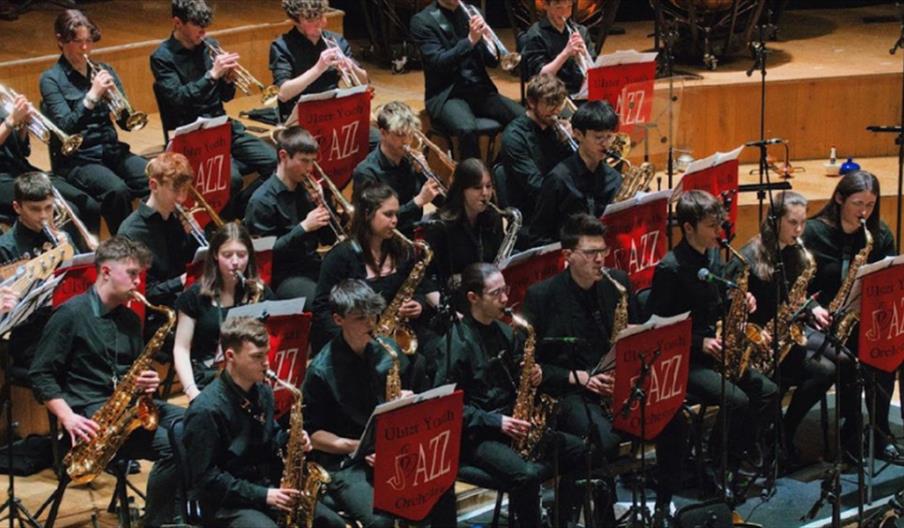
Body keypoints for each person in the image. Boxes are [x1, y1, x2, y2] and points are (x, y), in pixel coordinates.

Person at [522, 213, 687, 523]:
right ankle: (594, 512)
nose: (599, 260)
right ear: (567, 256)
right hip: (569, 392)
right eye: (590, 253)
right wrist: (580, 378)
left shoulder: (618, 285)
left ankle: (664, 503)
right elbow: (532, 367)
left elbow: (637, 336)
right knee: (604, 441)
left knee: (673, 416)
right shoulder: (541, 297)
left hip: (617, 386)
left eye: (603, 251)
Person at [29, 236, 183, 528]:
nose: (138, 282)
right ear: (106, 271)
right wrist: (67, 417)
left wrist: (145, 381)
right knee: (170, 445)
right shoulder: (70, 314)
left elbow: (130, 371)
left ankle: (181, 514)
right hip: (91, 414)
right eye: (132, 274)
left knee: (194, 424)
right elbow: (40, 374)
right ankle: (156, 522)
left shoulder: (128, 320)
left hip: (128, 406)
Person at [433, 262, 589, 526]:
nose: (505, 299)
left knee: (579, 450)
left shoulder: (507, 332)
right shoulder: (455, 345)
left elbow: (521, 381)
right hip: (476, 436)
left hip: (513, 424)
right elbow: (446, 409)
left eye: (505, 290)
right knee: (526, 476)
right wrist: (498, 422)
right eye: (496, 294)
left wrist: (534, 375)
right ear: (473, 298)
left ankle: (563, 520)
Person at [647, 190, 778, 485]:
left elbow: (718, 302)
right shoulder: (671, 268)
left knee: (768, 391)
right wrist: (700, 342)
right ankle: (716, 457)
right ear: (689, 227)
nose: (717, 231)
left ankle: (730, 454)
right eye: (710, 226)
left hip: (714, 349)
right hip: (683, 359)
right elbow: (655, 326)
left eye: (718, 224)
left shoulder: (712, 255)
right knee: (738, 401)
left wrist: (740, 303)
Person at [304, 279, 456, 528]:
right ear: (338, 319)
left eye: (372, 315)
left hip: (393, 449)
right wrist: (360, 448)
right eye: (360, 318)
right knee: (379, 522)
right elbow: (314, 434)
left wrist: (407, 400)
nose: (370, 324)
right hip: (347, 462)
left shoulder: (388, 350)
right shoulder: (321, 371)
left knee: (441, 486)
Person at [182, 316, 345, 528]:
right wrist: (263, 495)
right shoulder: (205, 411)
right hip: (225, 503)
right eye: (257, 357)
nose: (266, 363)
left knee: (333, 523)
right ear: (231, 356)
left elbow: (271, 435)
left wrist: (290, 439)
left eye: (266, 354)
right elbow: (206, 480)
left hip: (265, 486)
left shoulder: (263, 391)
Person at [727, 191, 850, 466]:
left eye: (803, 223)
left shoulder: (796, 253)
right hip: (757, 342)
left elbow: (796, 294)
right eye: (793, 223)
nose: (799, 230)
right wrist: (750, 327)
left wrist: (811, 307)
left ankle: (783, 431)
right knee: (822, 369)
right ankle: (760, 438)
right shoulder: (749, 255)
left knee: (835, 365)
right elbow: (727, 303)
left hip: (784, 335)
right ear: (774, 221)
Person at [802, 170, 903, 462]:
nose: (864, 211)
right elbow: (793, 284)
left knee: (885, 351)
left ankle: (881, 432)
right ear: (839, 198)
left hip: (862, 316)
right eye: (858, 203)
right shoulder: (813, 233)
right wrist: (813, 309)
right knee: (846, 361)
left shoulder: (879, 234)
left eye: (870, 205)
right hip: (818, 319)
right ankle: (849, 432)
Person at [150, 0, 276, 219]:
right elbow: (178, 99)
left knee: (276, 163)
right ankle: (223, 225)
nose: (204, 31)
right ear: (177, 23)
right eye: (197, 25)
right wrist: (212, 76)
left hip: (221, 124)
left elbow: (225, 97)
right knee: (232, 179)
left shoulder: (210, 45)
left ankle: (242, 211)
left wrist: (228, 80)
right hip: (191, 133)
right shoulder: (162, 57)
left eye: (206, 25)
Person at [40, 9, 148, 234]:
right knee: (117, 191)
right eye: (78, 42)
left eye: (89, 41)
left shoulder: (104, 70)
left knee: (155, 175)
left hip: (111, 151)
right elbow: (64, 127)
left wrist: (121, 106)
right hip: (79, 160)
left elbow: (125, 123)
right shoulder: (51, 80)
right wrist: (92, 97)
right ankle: (126, 247)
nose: (85, 48)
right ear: (60, 41)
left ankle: (153, 236)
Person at [311, 182, 436, 358]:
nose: (395, 221)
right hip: (355, 343)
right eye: (388, 215)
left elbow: (418, 288)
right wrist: (352, 340)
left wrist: (418, 303)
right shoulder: (340, 257)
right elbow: (322, 309)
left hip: (394, 334)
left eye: (396, 214)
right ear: (367, 214)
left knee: (434, 349)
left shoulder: (402, 250)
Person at [410, 0, 524, 161]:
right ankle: (470, 181)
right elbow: (438, 62)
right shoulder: (423, 21)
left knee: (523, 118)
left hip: (479, 89)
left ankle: (500, 168)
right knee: (467, 129)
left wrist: (488, 40)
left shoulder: (472, 12)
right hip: (447, 93)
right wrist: (470, 41)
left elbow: (490, 61)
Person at [173, 222, 271, 400]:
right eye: (227, 255)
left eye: (241, 255)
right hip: (210, 378)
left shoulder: (259, 291)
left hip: (250, 376)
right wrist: (191, 390)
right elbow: (181, 348)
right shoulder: (194, 296)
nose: (235, 262)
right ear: (215, 256)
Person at [244, 126, 334, 303]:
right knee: (321, 302)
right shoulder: (261, 201)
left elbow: (329, 239)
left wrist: (324, 203)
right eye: (304, 161)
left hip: (312, 265)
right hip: (283, 276)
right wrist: (304, 228)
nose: (309, 168)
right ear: (283, 156)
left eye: (312, 161)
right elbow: (265, 257)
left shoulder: (307, 191)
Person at [118, 152, 200, 337]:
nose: (181, 199)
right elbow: (140, 293)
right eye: (175, 191)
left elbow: (190, 260)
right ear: (153, 185)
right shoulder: (132, 233)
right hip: (156, 315)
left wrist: (194, 236)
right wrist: (181, 282)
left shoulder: (177, 219)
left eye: (185, 190)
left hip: (184, 300)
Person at [0, 91, 101, 241]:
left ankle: (89, 255)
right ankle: (68, 259)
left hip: (21, 169)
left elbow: (22, 150)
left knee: (88, 204)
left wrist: (24, 124)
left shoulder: (2, 104)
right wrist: (10, 121)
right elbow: (9, 125)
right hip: (2, 179)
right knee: (68, 212)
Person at [0, 172, 69, 368]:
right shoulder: (6, 248)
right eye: (35, 209)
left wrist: (67, 248)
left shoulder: (60, 235)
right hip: (31, 331)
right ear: (17, 207)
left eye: (48, 207)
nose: (44, 216)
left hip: (65, 318)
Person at [528, 100, 622, 244]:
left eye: (609, 137)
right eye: (598, 137)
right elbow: (538, 235)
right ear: (578, 134)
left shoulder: (614, 178)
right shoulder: (558, 179)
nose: (605, 144)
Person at [352, 101, 442, 236]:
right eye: (400, 135)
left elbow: (441, 201)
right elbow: (376, 222)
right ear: (383, 133)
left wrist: (426, 173)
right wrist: (418, 202)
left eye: (410, 134)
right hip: (385, 238)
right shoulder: (366, 172)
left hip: (413, 230)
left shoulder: (411, 161)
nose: (407, 141)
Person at [270, 0, 369, 122]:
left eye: (322, 16)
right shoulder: (281, 46)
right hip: (299, 116)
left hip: (334, 110)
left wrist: (352, 67)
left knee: (373, 138)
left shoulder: (336, 40)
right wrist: (319, 68)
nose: (322, 23)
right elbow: (283, 94)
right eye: (311, 20)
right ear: (296, 21)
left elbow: (364, 82)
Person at [497, 74, 573, 220]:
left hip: (559, 200)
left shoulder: (557, 129)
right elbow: (535, 186)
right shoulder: (514, 137)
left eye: (559, 103)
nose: (557, 110)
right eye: (550, 104)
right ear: (532, 102)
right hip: (533, 210)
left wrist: (571, 141)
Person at [424, 158, 505, 285]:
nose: (485, 193)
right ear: (462, 190)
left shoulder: (493, 217)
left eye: (488, 186)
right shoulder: (441, 226)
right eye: (477, 187)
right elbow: (428, 276)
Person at [522, 0, 596, 97]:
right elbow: (541, 77)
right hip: (551, 96)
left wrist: (585, 56)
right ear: (545, 5)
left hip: (580, 92)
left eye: (569, 7)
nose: (565, 13)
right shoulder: (536, 34)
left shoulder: (581, 31)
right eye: (559, 8)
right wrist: (565, 53)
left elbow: (594, 70)